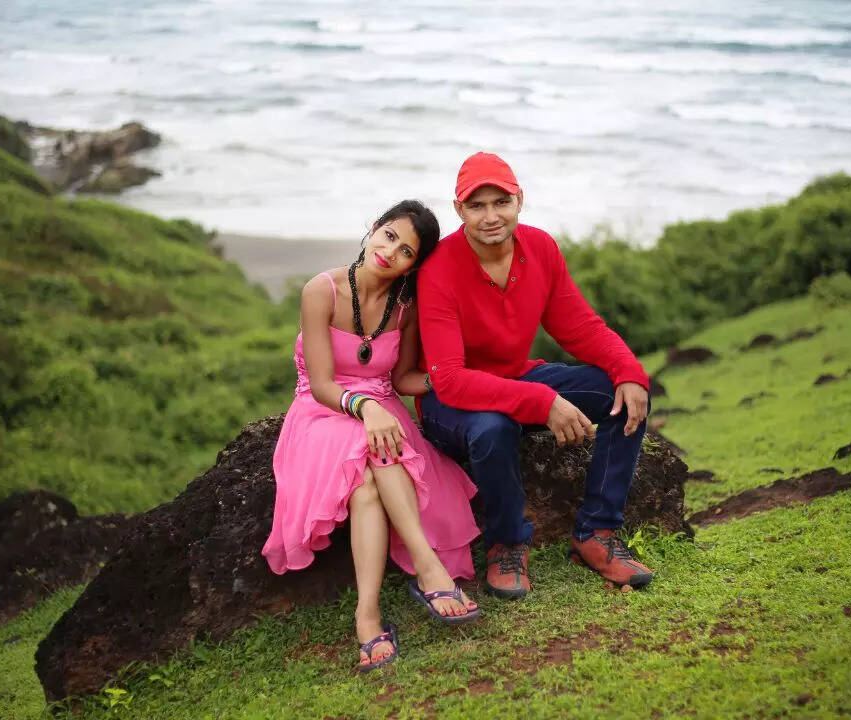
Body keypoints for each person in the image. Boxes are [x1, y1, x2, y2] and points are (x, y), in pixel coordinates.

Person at [416, 152, 654, 599]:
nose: (491, 216)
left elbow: (579, 327)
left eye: (501, 202)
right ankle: (507, 544)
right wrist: (543, 403)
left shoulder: (540, 247)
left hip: (518, 378)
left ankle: (596, 533)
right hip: (450, 403)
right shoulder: (438, 270)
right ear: (458, 209)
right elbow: (449, 379)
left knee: (621, 393)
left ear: (520, 200)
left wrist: (628, 370)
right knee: (493, 428)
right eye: (477, 206)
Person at [261, 200, 482, 673]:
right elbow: (321, 384)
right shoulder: (321, 290)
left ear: (412, 266)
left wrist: (455, 379)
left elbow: (402, 379)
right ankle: (426, 571)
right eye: (389, 236)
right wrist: (365, 408)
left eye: (406, 251)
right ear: (374, 229)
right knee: (375, 447)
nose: (390, 251)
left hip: (382, 408)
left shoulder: (405, 308)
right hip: (325, 411)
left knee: (367, 483)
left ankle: (369, 616)